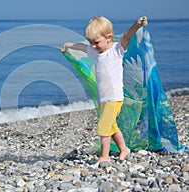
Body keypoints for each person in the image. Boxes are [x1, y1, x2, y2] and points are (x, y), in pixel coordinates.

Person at [61, 16, 148, 163]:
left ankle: (104, 156)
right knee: (112, 126)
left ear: (109, 37)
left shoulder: (116, 50)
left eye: (96, 43)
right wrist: (68, 45)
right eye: (91, 43)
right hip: (103, 97)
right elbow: (82, 48)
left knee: (103, 127)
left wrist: (137, 25)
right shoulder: (96, 52)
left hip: (114, 98)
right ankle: (124, 149)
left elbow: (127, 36)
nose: (93, 46)